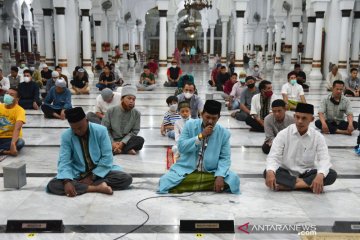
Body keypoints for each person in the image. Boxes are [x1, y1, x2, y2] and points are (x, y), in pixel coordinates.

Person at [46, 107, 132, 197]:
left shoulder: (101, 131)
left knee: (126, 178)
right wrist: (67, 181)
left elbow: (107, 157)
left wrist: (92, 177)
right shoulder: (66, 136)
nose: (77, 131)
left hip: (99, 172)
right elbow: (64, 160)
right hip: (78, 174)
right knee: (53, 185)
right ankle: (97, 188)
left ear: (86, 121)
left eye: (80, 127)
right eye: (74, 129)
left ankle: (83, 187)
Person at [158, 100, 240, 194]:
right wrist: (200, 136)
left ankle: (195, 185)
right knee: (165, 181)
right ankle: (205, 185)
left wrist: (220, 176)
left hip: (211, 171)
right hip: (188, 169)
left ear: (218, 118)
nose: (210, 121)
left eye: (214, 118)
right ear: (201, 114)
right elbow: (181, 147)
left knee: (234, 180)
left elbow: (225, 158)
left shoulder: (224, 134)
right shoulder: (189, 125)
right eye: (207, 117)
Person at [264, 103, 337, 193]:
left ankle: (289, 186)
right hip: (286, 171)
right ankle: (306, 185)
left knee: (331, 174)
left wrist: (320, 175)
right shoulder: (284, 134)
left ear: (312, 119)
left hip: (307, 173)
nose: (299, 121)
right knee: (267, 172)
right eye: (297, 117)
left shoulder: (318, 137)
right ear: (294, 116)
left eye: (304, 118)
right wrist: (271, 172)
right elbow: (273, 156)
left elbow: (324, 159)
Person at [102, 85, 144, 155]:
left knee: (140, 140)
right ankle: (125, 150)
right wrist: (112, 143)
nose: (131, 101)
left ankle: (118, 150)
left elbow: (134, 131)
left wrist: (123, 142)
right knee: (98, 139)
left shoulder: (136, 113)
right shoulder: (111, 111)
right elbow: (105, 129)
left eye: (133, 99)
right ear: (122, 99)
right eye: (129, 98)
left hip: (126, 141)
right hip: (111, 139)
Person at [0, 88, 26, 156]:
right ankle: (5, 152)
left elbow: (17, 128)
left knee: (20, 143)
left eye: (11, 95)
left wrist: (13, 143)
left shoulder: (20, 110)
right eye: (7, 93)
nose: (8, 96)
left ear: (17, 99)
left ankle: (5, 150)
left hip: (10, 138)